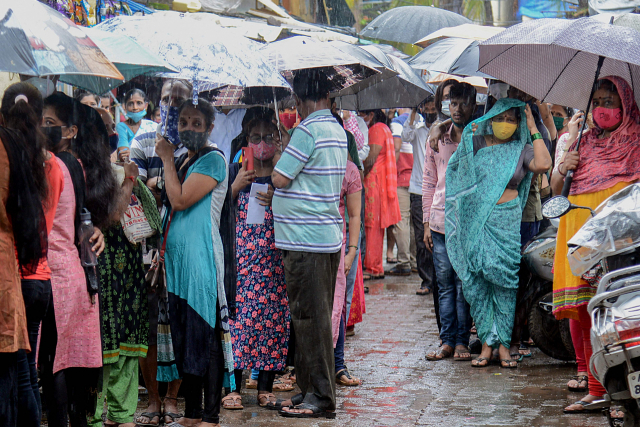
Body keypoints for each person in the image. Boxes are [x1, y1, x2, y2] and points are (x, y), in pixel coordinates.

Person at [551, 76, 640, 414]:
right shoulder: (580, 143)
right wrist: (565, 163)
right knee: (585, 313)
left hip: (621, 239)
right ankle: (595, 389)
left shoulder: (636, 140)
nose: (602, 108)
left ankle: (623, 393)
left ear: (626, 103)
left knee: (620, 310)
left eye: (610, 100)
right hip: (578, 232)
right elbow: (556, 187)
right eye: (597, 101)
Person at [445, 97, 551, 368]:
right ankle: (486, 345)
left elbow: (544, 164)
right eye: (500, 118)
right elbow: (455, 172)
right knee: (478, 282)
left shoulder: (521, 148)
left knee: (505, 282)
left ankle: (503, 345)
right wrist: (463, 135)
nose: (505, 124)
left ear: (517, 123)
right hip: (477, 221)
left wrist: (533, 126)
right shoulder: (476, 143)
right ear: (490, 119)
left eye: (511, 119)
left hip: (507, 221)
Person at [271, 69, 347, 419]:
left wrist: (282, 151)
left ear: (301, 100)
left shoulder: (308, 129)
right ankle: (310, 389)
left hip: (307, 241)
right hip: (323, 237)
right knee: (308, 317)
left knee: (311, 319)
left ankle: (321, 396)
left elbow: (279, 176)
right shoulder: (335, 129)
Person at [155, 99, 235, 427]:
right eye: (184, 122)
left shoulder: (213, 159)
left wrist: (164, 159)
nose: (189, 128)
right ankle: (191, 414)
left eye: (196, 123)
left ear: (209, 128)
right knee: (184, 336)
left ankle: (210, 416)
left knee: (206, 334)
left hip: (201, 260)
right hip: (178, 264)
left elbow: (180, 199)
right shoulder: (185, 160)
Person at [40, 92, 111, 427]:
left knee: (52, 361)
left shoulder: (51, 166)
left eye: (50, 124)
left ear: (70, 131)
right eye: (40, 122)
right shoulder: (77, 166)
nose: (42, 129)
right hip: (77, 274)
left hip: (53, 273)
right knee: (68, 363)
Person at [130, 79, 191, 427]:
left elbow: (182, 197)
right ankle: (153, 397)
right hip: (146, 249)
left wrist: (158, 185)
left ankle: (172, 397)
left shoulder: (194, 146)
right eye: (167, 99)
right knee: (148, 329)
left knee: (178, 323)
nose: (172, 105)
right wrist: (156, 186)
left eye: (179, 99)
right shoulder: (142, 140)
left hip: (181, 248)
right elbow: (135, 193)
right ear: (158, 104)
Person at [1, 83, 59, 427]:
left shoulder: (9, 151)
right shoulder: (46, 162)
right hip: (35, 272)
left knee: (21, 376)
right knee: (26, 373)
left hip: (19, 275)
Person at [225, 116, 291, 409]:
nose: (261, 143)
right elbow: (218, 208)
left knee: (272, 321)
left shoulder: (284, 177)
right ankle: (233, 387)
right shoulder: (236, 172)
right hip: (241, 261)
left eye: (268, 136)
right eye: (255, 137)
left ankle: (265, 385)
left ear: (278, 141)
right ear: (245, 141)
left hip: (274, 259)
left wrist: (280, 195)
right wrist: (235, 186)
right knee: (239, 322)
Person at [423, 83, 476, 362]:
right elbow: (429, 181)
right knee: (444, 283)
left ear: (473, 104)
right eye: (452, 103)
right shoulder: (437, 139)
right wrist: (425, 221)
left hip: (466, 222)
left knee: (462, 283)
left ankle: (461, 341)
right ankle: (446, 340)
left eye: (462, 103)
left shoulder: (477, 136)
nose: (457, 109)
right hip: (439, 221)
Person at [359, 109, 401, 280]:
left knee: (371, 226)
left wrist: (359, 173)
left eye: (363, 114)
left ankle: (373, 266)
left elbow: (371, 158)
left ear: (372, 115)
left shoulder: (376, 129)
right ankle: (375, 265)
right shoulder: (384, 128)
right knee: (374, 226)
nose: (361, 117)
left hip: (373, 182)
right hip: (379, 182)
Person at [332, 152, 362, 387]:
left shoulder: (349, 170)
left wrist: (351, 251)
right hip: (310, 241)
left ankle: (338, 364)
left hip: (339, 245)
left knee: (338, 305)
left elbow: (354, 214)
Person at [403, 96, 437, 296]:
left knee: (437, 236)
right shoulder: (417, 132)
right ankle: (427, 280)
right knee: (420, 238)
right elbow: (405, 135)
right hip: (418, 190)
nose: (430, 110)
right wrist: (413, 112)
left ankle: (438, 278)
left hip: (438, 192)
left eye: (433, 106)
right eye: (427, 106)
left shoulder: (443, 129)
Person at [387, 109, 415, 276]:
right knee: (413, 223)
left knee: (401, 221)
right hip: (417, 179)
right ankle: (414, 260)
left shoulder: (397, 123)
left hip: (401, 177)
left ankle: (404, 262)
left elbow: (396, 147)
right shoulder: (422, 120)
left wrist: (391, 170)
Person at [116, 88, 156, 161]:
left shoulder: (153, 126)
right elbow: (124, 155)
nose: (135, 107)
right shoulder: (122, 127)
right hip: (132, 169)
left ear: (146, 105)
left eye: (139, 103)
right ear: (125, 107)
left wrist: (135, 154)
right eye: (131, 104)